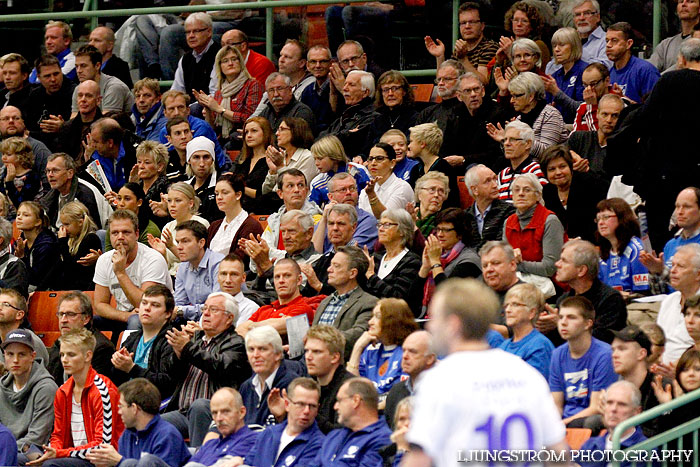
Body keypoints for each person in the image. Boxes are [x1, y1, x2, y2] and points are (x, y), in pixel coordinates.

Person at [404, 279, 567, 466]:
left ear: (453, 324)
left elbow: (418, 460)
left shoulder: (439, 379)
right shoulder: (527, 374)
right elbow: (558, 453)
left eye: (436, 318)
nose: (430, 326)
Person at [162, 292, 250, 447]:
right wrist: (178, 355)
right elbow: (171, 375)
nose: (206, 314)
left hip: (215, 413)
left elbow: (220, 366)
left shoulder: (236, 343)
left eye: (214, 310)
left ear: (229, 318)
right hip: (183, 412)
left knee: (200, 406)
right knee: (150, 424)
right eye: (205, 309)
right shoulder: (196, 339)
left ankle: (201, 460)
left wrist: (187, 348)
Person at [33, 327, 125, 467]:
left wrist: (60, 454)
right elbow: (58, 435)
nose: (64, 360)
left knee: (51, 466)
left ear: (88, 356)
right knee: (23, 460)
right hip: (74, 456)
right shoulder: (63, 391)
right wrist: (52, 451)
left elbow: (102, 447)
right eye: (62, 354)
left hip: (102, 461)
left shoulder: (103, 391)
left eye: (71, 355)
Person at [93, 209, 172, 334]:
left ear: (136, 234)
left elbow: (146, 305)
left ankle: (131, 353)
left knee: (135, 321)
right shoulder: (104, 260)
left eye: (126, 232)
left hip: (155, 318)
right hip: (124, 317)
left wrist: (120, 273)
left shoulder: (153, 259)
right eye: (115, 233)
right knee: (87, 321)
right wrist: (126, 316)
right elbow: (100, 305)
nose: (120, 237)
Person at [84, 377, 190, 467]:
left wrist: (120, 462)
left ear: (134, 408)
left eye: (121, 406)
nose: (119, 412)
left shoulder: (167, 435)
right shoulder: (127, 435)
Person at [550, 296, 618, 427]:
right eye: (561, 317)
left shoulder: (604, 354)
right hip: (565, 421)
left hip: (590, 422)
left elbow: (596, 408)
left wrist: (561, 424)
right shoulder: (557, 354)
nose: (563, 322)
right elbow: (556, 406)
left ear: (588, 324)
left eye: (571, 317)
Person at [552, 239, 628, 344]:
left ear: (581, 270)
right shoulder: (563, 300)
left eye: (564, 261)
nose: (557, 264)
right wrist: (547, 328)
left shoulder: (610, 300)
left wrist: (559, 323)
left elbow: (601, 341)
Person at [0, 329, 58, 464]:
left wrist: (6, 448)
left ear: (33, 356)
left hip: (31, 451)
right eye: (10, 354)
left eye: (22, 355)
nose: (15, 360)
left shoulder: (46, 388)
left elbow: (37, 437)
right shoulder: (1, 387)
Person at [245, 377, 326, 466]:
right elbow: (248, 462)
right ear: (287, 404)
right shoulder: (268, 433)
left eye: (312, 406)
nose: (306, 411)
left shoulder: (319, 445)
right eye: (300, 404)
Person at [347, 298, 417, 400]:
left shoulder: (407, 353)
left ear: (393, 321)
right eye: (372, 317)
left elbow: (401, 397)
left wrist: (368, 405)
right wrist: (357, 348)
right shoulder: (370, 350)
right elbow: (350, 388)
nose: (370, 322)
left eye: (377, 317)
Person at [490, 72, 568, 159]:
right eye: (511, 96)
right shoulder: (519, 119)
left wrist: (519, 138)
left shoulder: (550, 115)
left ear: (531, 96)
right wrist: (504, 140)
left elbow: (547, 152)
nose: (512, 101)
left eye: (516, 96)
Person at [194, 44, 262, 144]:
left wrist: (219, 109)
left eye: (234, 59)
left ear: (240, 62)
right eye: (225, 61)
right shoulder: (219, 92)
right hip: (223, 137)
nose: (230, 63)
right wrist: (208, 108)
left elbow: (250, 118)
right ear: (220, 66)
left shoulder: (252, 85)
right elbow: (213, 128)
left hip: (243, 135)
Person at [316, 377, 392, 466]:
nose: (335, 407)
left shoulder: (382, 440)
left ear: (356, 401)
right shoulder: (334, 436)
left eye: (339, 400)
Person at [504, 173, 566, 280]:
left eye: (527, 190)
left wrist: (516, 265)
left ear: (538, 195)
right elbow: (503, 260)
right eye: (516, 190)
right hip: (518, 282)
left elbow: (550, 268)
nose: (521, 194)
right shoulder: (508, 222)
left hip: (550, 285)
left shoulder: (550, 221)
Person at [541, 144, 608, 241]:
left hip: (593, 244)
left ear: (570, 167)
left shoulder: (590, 183)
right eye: (552, 169)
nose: (558, 172)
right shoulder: (548, 192)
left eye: (562, 166)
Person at [255, 168, 322, 266]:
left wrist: (270, 254)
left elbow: (308, 257)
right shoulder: (274, 221)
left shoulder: (317, 220)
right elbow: (261, 256)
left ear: (307, 191)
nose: (296, 190)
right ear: (280, 193)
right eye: (290, 186)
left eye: (300, 185)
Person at [47, 291, 115, 385]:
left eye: (70, 314)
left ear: (86, 318)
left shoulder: (101, 347)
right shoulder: (59, 343)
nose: (63, 320)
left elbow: (93, 388)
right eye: (61, 314)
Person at [419, 208, 481, 310]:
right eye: (438, 229)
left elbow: (448, 294)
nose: (439, 234)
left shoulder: (470, 260)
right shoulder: (439, 255)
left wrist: (435, 262)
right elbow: (411, 301)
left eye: (446, 230)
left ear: (460, 233)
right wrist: (425, 268)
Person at [642, 187, 700, 295]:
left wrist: (662, 271)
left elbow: (692, 289)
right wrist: (655, 272)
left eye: (687, 207)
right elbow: (660, 294)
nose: (680, 212)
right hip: (670, 306)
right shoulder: (670, 245)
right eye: (677, 207)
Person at [239, 325, 301, 426]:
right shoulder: (246, 387)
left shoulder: (292, 385)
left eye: (262, 349)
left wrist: (282, 417)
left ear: (278, 354)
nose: (255, 355)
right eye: (251, 349)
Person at [364, 209, 423, 315]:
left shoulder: (411, 261)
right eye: (380, 225)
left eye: (386, 225)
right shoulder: (375, 258)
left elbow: (398, 298)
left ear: (402, 230)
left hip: (394, 319)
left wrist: (372, 277)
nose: (381, 229)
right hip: (368, 314)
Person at [423, 2, 497, 84]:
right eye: (463, 23)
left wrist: (463, 59)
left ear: (482, 26)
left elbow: (482, 83)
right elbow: (444, 82)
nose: (467, 26)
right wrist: (440, 57)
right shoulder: (458, 50)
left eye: (472, 22)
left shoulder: (490, 47)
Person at [157, 90, 229, 172]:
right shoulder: (164, 132)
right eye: (171, 109)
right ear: (165, 113)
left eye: (180, 107)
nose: (176, 113)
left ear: (188, 110)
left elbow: (197, 157)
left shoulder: (201, 127)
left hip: (215, 171)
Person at [238, 258, 314, 337]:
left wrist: (250, 326)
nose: (281, 280)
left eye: (287, 276)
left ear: (299, 280)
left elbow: (270, 329)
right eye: (277, 277)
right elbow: (239, 331)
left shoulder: (303, 309)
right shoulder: (263, 310)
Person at [185, 387, 259, 467]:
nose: (219, 418)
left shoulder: (253, 439)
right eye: (215, 413)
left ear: (242, 412)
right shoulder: (209, 444)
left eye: (225, 411)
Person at [578, 380, 646, 466]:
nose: (613, 409)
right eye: (609, 403)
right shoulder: (590, 445)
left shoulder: (646, 450)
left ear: (636, 412)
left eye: (622, 404)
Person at [148, 183, 210, 276]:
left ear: (190, 203)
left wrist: (171, 246)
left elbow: (197, 261)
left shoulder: (201, 224)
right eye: (169, 201)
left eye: (178, 200)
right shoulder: (168, 227)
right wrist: (162, 253)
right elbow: (167, 265)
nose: (172, 205)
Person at [610, 325, 660, 437]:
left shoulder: (660, 388)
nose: (614, 355)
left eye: (622, 349)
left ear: (641, 354)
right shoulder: (616, 390)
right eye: (613, 350)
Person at [453, 72, 508, 172]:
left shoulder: (496, 114)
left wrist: (464, 159)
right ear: (459, 96)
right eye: (467, 91)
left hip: (488, 167)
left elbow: (495, 154)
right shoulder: (455, 115)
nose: (473, 94)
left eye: (476, 89)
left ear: (483, 91)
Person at [304, 325, 354, 434]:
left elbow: (343, 435)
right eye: (307, 351)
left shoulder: (350, 388)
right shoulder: (308, 384)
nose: (308, 357)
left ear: (335, 357)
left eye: (316, 352)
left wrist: (310, 415)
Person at [320, 70, 380, 160]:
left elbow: (345, 142)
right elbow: (319, 140)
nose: (345, 88)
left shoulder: (373, 118)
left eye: (351, 85)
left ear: (365, 92)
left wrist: (341, 136)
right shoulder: (345, 115)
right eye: (345, 84)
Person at [595, 198, 650, 295]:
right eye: (598, 218)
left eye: (606, 217)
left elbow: (642, 293)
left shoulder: (636, 249)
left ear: (622, 218)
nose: (600, 222)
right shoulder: (603, 254)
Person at [656, 244, 700, 363]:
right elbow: (658, 342)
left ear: (698, 275)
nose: (673, 271)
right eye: (673, 265)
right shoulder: (668, 301)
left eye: (680, 266)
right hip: (661, 371)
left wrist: (680, 369)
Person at [499, 283, 555, 378]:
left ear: (532, 312)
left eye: (515, 305)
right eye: (506, 305)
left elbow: (535, 385)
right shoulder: (504, 346)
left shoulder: (539, 346)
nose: (508, 310)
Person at [383, 331, 436, 430]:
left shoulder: (446, 392)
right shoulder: (395, 392)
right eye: (404, 351)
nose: (405, 356)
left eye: (412, 351)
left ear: (430, 358)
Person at [207, 173, 263, 266]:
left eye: (225, 193)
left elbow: (240, 260)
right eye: (217, 194)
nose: (219, 197)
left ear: (238, 195)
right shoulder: (214, 226)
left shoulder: (251, 226)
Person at [568, 93, 625, 182]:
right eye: (605, 114)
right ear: (597, 114)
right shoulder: (578, 138)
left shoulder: (622, 149)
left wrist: (587, 171)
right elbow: (557, 157)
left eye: (614, 116)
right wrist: (568, 159)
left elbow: (611, 185)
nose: (609, 120)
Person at [413, 60, 465, 159]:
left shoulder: (467, 111)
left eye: (447, 79)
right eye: (439, 79)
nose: (441, 83)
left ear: (460, 81)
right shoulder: (427, 112)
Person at [41, 153, 107, 231]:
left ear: (70, 173)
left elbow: (94, 229)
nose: (50, 175)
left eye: (55, 170)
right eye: (48, 171)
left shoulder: (86, 193)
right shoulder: (51, 195)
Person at [231, 116, 282, 215]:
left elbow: (265, 194)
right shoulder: (242, 162)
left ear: (265, 133)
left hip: (263, 211)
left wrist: (239, 188)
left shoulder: (273, 161)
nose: (249, 135)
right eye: (246, 132)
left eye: (254, 131)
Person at [24, 55, 75, 149]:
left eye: (56, 74)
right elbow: (29, 127)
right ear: (39, 77)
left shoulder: (74, 92)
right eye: (47, 76)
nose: (53, 79)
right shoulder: (35, 95)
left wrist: (64, 127)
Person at [406, 122, 460, 208]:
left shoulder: (444, 168)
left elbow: (451, 203)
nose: (409, 146)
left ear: (422, 144)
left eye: (411, 141)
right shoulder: (416, 170)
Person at [542, 28, 589, 124]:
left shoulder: (585, 72)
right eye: (554, 46)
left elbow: (584, 108)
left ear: (574, 46)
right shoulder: (554, 76)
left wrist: (556, 92)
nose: (556, 49)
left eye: (562, 45)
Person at [550, 0, 611, 73]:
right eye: (578, 14)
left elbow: (603, 69)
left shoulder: (607, 40)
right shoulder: (567, 40)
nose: (581, 18)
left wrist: (569, 62)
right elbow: (551, 68)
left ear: (598, 17)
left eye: (587, 13)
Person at [70, 45, 133, 116]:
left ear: (97, 65)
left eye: (83, 66)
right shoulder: (79, 88)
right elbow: (74, 119)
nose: (78, 71)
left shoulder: (114, 87)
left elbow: (107, 123)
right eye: (76, 66)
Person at [309, 134, 369, 208]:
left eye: (320, 158)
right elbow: (311, 209)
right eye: (315, 159)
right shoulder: (318, 182)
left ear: (333, 156)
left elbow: (371, 196)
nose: (316, 163)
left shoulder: (358, 171)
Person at [171, 13, 220, 104]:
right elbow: (176, 91)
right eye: (188, 32)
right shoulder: (185, 59)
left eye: (196, 31)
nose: (191, 36)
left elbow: (215, 95)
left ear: (209, 32)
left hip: (211, 108)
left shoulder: (220, 55)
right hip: (190, 109)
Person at [261, 117, 317, 196]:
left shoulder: (308, 157)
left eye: (282, 129)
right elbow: (265, 191)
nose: (277, 133)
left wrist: (280, 167)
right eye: (278, 129)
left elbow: (295, 190)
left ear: (296, 131)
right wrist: (272, 171)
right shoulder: (280, 156)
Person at [606, 22, 660, 103]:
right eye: (607, 41)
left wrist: (625, 101)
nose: (608, 45)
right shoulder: (610, 73)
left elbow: (654, 108)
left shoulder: (645, 70)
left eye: (614, 40)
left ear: (629, 43)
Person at [494, 120, 547, 203]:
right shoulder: (502, 175)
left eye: (512, 140)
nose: (506, 144)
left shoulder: (536, 171)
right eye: (505, 140)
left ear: (528, 144)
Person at [464, 164, 515, 249]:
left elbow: (501, 245)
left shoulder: (508, 211)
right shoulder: (464, 216)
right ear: (475, 190)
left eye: (495, 179)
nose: (495, 185)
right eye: (487, 181)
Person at [359, 142, 414, 219]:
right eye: (370, 159)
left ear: (392, 163)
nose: (373, 163)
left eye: (379, 159)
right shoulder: (365, 191)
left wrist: (372, 196)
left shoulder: (402, 188)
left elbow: (386, 219)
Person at [56, 201, 102, 291]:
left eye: (67, 224)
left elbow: (72, 271)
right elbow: (55, 267)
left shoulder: (90, 239)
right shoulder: (71, 239)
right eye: (62, 224)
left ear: (80, 222)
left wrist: (62, 242)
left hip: (83, 290)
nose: (63, 229)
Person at [15, 201, 60, 291]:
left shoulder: (47, 245)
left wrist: (22, 257)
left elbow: (35, 278)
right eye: (18, 214)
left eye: (26, 215)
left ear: (38, 222)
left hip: (43, 289)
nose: (19, 217)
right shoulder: (22, 238)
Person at [83, 118, 136, 194]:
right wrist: (89, 161)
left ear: (110, 142)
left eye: (96, 141)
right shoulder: (97, 155)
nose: (92, 145)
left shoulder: (133, 156)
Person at [56, 79, 104, 164]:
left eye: (88, 96)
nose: (83, 100)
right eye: (80, 95)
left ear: (98, 100)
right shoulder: (66, 128)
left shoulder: (105, 128)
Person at [105, 183, 162, 251]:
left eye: (127, 199)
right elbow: (109, 254)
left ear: (139, 202)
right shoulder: (114, 226)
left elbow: (144, 258)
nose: (121, 204)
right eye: (119, 199)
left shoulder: (150, 231)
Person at [0, 288, 49, 366]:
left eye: (6, 305)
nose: (0, 308)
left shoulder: (31, 341)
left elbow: (35, 375)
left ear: (19, 315)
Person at [649, 0, 700, 73]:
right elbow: (649, 70)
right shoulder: (666, 44)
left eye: (690, 1)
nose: (684, 4)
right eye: (681, 2)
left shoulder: (698, 41)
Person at [129, 140, 170, 228]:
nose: (141, 166)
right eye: (139, 162)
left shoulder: (167, 189)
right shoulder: (137, 185)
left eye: (147, 162)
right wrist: (131, 187)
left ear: (160, 166)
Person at [185, 135, 221, 221]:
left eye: (206, 157)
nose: (201, 163)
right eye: (196, 157)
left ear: (212, 160)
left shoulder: (221, 184)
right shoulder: (184, 187)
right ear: (189, 161)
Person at [0, 137, 43, 207]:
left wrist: (9, 182)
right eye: (3, 154)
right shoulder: (4, 172)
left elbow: (22, 204)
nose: (3, 158)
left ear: (21, 156)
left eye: (8, 154)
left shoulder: (32, 177)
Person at [300, 45, 334, 134]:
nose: (318, 66)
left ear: (331, 63)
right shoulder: (307, 91)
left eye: (323, 61)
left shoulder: (337, 88)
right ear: (307, 65)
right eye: (313, 62)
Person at [373, 70, 417, 138]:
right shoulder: (377, 121)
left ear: (404, 91)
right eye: (385, 89)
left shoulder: (414, 118)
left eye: (395, 88)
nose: (390, 93)